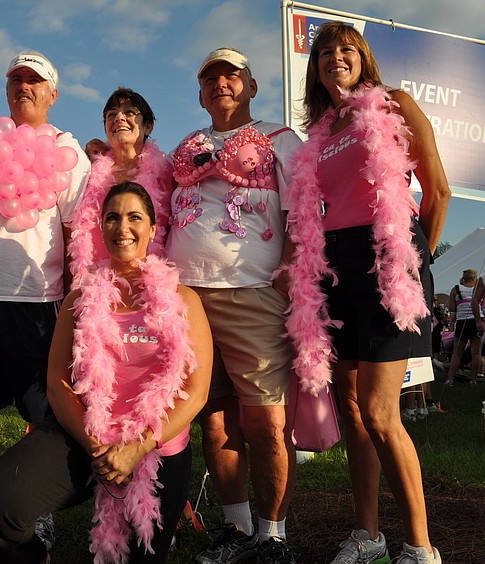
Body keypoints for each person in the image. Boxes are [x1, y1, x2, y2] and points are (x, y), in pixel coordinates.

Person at [0, 182, 212, 563]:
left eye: (135, 217)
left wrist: (138, 447)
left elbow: (197, 392)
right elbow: (57, 382)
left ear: (152, 229)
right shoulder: (79, 299)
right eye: (112, 218)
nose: (122, 227)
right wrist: (95, 446)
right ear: (101, 229)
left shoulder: (185, 300)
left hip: (155, 447)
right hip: (88, 436)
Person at [284, 21, 450, 564]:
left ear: (364, 57)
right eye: (325, 51)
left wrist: (410, 257)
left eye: (346, 48)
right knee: (353, 411)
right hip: (337, 269)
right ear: (316, 68)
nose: (335, 56)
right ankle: (368, 535)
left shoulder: (395, 103)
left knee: (381, 413)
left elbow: (438, 188)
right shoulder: (322, 133)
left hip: (387, 262)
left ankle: (421, 548)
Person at [0, 49, 91, 557]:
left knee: (41, 415)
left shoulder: (67, 148)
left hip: (38, 301)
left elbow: (78, 230)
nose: (23, 87)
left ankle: (36, 512)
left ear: (52, 93)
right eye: (15, 80)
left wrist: (74, 303)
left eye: (34, 81)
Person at [165, 48, 301, 564]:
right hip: (189, 297)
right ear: (200, 93)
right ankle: (238, 528)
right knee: (214, 421)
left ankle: (274, 537)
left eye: (232, 75)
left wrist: (289, 269)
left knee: (265, 422)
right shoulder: (187, 145)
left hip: (253, 292)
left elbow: (304, 207)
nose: (221, 83)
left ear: (251, 86)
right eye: (210, 78)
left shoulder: (281, 138)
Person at [69, 87, 172, 285]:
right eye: (111, 114)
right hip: (96, 282)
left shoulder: (166, 171)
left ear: (148, 126)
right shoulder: (88, 170)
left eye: (129, 112)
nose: (119, 118)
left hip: (148, 282)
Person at [445, 269, 480, 385]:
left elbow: (452, 308)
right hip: (477, 321)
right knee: (476, 353)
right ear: (474, 278)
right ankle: (474, 380)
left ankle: (450, 379)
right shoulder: (478, 290)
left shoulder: (456, 289)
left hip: (462, 321)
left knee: (457, 353)